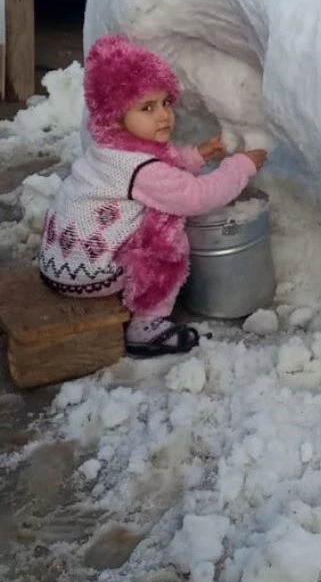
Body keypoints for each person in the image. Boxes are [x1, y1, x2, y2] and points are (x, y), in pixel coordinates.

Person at [39, 34, 267, 357]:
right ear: (116, 115)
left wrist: (196, 156)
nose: (163, 116)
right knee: (167, 224)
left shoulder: (109, 146)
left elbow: (158, 165)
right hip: (92, 275)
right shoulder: (140, 168)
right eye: (147, 107)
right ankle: (147, 325)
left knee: (158, 206)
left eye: (165, 103)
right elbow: (195, 196)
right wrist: (241, 166)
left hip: (58, 264)